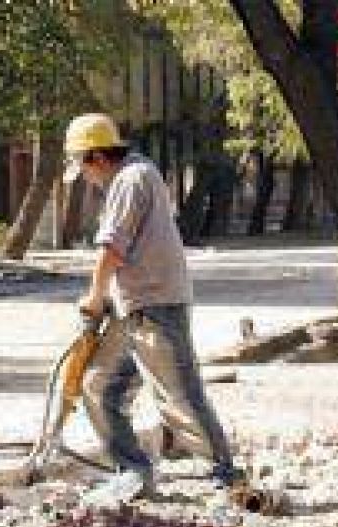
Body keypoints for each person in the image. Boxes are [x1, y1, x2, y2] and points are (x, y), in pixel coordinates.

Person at [67, 113, 244, 501]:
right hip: (133, 307)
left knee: (178, 396)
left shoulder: (131, 179)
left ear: (95, 156)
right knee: (99, 387)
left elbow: (112, 247)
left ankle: (228, 477)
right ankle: (132, 473)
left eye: (81, 165)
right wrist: (111, 301)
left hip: (156, 307)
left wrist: (94, 298)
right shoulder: (133, 176)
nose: (83, 176)